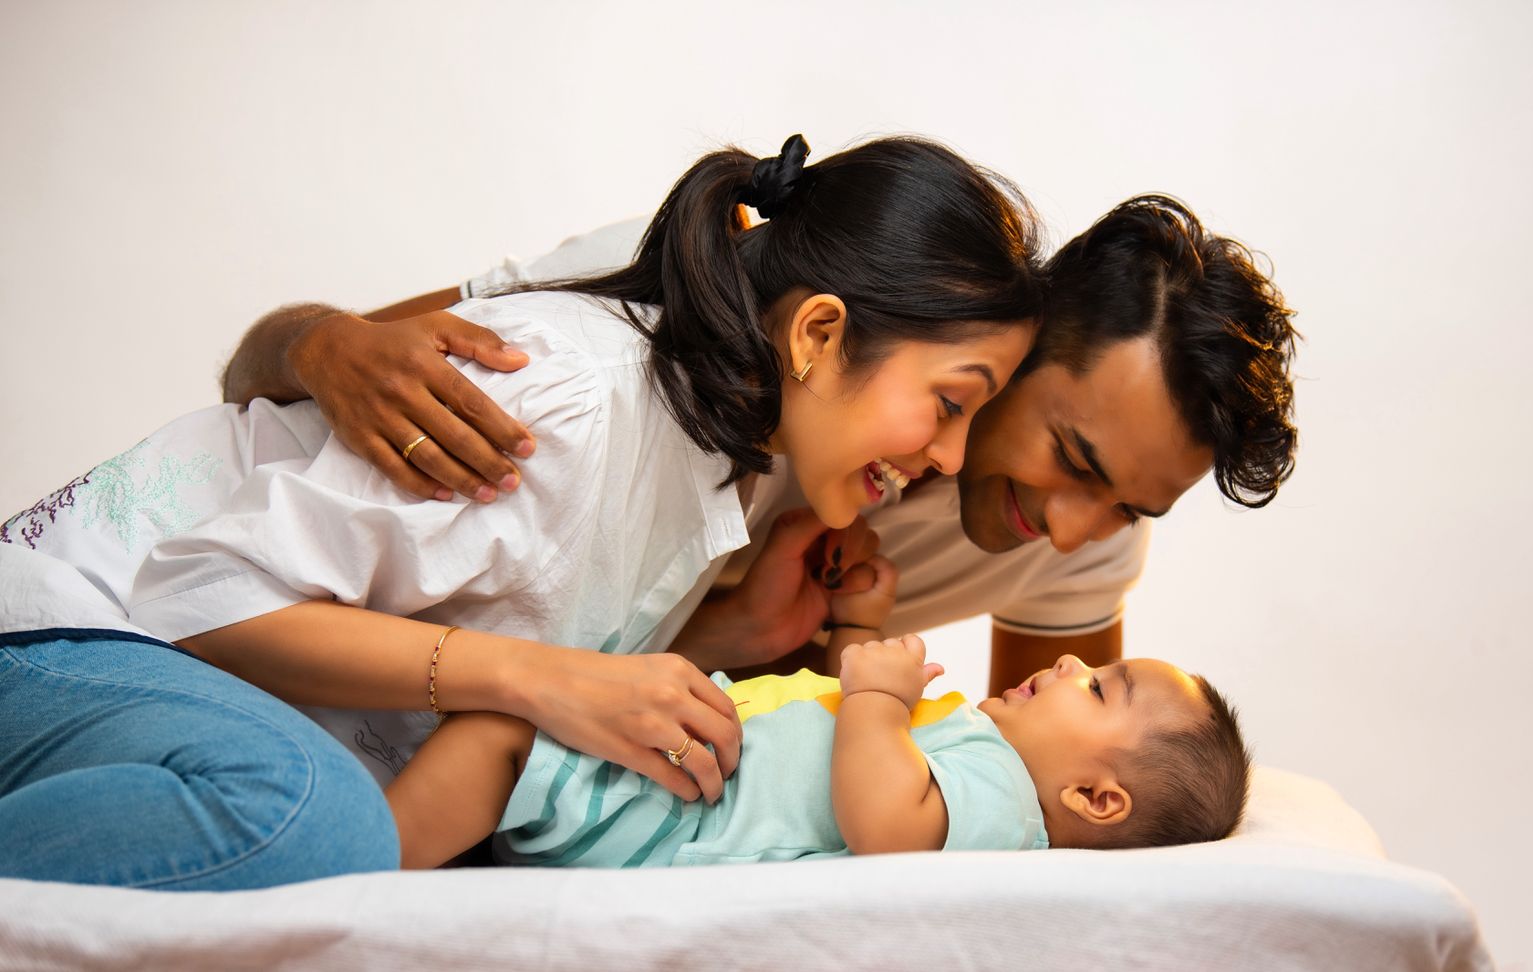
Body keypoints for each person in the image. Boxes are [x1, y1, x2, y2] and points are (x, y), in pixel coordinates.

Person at [1, 134, 1043, 886]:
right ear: (818, 334)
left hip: (164, 691)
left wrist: (734, 636)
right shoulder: (573, 391)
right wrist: (541, 679)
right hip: (72, 627)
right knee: (311, 817)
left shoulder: (722, 461)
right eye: (949, 405)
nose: (948, 457)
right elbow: (201, 594)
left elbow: (502, 612)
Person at [223, 195, 1300, 695]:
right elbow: (264, 382)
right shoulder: (711, 314)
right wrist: (317, 343)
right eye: (1076, 461)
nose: (1070, 533)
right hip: (267, 623)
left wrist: (756, 639)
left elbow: (1046, 762)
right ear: (1014, 347)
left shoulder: (1088, 550)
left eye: (1129, 508)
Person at [384, 560, 1250, 868]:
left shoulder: (1005, 805)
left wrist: (878, 697)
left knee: (498, 735)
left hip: (670, 814)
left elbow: (881, 822)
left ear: (1097, 799)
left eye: (1098, 687)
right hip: (678, 775)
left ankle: (354, 870)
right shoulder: (973, 753)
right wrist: (861, 633)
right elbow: (841, 730)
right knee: (503, 736)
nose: (1068, 661)